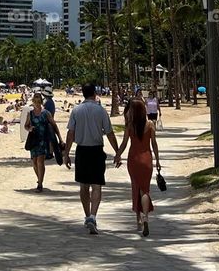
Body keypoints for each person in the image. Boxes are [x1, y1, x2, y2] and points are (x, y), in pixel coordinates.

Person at [63, 81, 119, 234]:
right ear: (95, 94)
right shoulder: (101, 111)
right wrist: (117, 152)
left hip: (82, 150)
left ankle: (87, 215)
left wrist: (66, 154)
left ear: (83, 94)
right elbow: (109, 133)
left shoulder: (76, 110)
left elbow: (70, 133)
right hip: (96, 150)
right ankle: (93, 216)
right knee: (96, 185)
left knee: (83, 186)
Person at [115, 97, 162, 237]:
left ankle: (138, 220)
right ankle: (146, 217)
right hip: (146, 159)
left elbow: (124, 144)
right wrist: (158, 160)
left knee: (135, 188)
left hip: (133, 159)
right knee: (145, 190)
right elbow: (154, 144)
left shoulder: (130, 126)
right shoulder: (150, 124)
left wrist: (117, 155)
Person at [22, 92, 62, 191]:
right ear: (33, 102)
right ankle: (39, 179)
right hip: (34, 140)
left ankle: (40, 184)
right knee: (34, 163)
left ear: (41, 102)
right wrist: (29, 128)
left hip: (43, 140)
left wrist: (60, 139)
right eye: (35, 102)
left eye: (39, 102)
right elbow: (26, 125)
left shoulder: (46, 113)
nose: (37, 103)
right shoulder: (30, 113)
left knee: (40, 162)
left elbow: (54, 126)